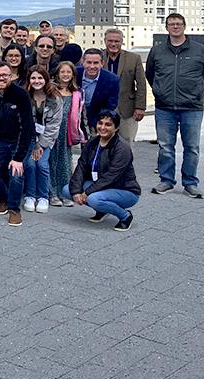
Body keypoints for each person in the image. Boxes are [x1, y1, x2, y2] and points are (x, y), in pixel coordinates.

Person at [146, 12, 204, 197]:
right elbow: (150, 74)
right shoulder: (157, 51)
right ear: (166, 28)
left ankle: (190, 182)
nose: (175, 27)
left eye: (178, 23)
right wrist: (159, 91)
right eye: (172, 24)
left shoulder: (199, 50)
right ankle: (166, 181)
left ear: (184, 26)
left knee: (192, 147)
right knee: (165, 146)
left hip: (192, 107)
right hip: (165, 107)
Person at [0, 60, 36, 226]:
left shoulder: (21, 95)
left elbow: (26, 128)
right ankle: (4, 200)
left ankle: (14, 209)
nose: (1, 78)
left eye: (5, 75)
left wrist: (18, 157)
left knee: (16, 172)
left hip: (20, 141)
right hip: (0, 141)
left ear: (11, 76)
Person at [70, 110, 140, 231]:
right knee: (68, 190)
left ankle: (125, 216)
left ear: (116, 128)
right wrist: (76, 191)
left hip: (125, 189)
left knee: (93, 198)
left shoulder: (122, 148)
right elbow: (81, 165)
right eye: (100, 123)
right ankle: (102, 210)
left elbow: (110, 176)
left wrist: (86, 193)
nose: (102, 127)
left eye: (108, 125)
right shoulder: (93, 142)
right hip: (102, 186)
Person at [22, 67, 63, 214]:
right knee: (30, 164)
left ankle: (43, 196)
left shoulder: (55, 98)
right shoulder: (25, 96)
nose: (37, 81)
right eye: (33, 78)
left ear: (46, 79)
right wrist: (34, 143)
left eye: (40, 78)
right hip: (29, 139)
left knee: (42, 164)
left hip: (47, 139)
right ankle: (30, 196)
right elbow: (24, 123)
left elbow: (54, 125)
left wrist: (40, 144)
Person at [49, 60, 86, 207]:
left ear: (73, 75)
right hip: (52, 132)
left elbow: (81, 115)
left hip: (67, 133)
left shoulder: (77, 93)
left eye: (68, 72)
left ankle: (64, 192)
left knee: (65, 164)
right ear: (57, 74)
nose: (65, 75)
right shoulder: (51, 91)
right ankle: (52, 193)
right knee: (51, 163)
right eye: (62, 72)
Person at [103, 28, 146, 144]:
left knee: (126, 143)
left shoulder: (134, 58)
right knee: (103, 143)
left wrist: (140, 107)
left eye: (117, 41)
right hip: (102, 108)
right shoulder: (97, 57)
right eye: (110, 41)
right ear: (105, 41)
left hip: (126, 109)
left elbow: (141, 84)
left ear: (122, 42)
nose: (113, 44)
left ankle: (125, 163)